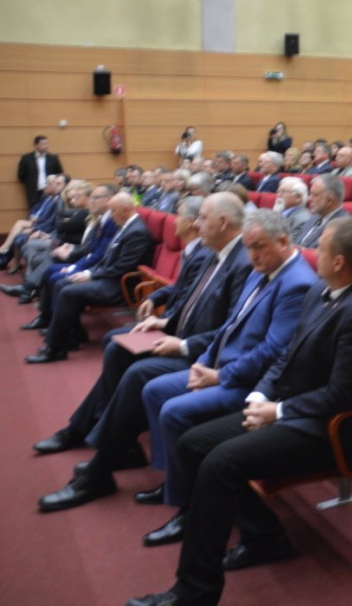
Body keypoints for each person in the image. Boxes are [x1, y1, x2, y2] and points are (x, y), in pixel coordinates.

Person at [124, 217, 352, 606]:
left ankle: (194, 591)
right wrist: (259, 395)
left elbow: (341, 395)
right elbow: (285, 356)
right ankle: (265, 536)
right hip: (287, 406)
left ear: (339, 262)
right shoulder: (321, 291)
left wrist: (277, 410)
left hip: (323, 428)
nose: (312, 253)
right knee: (192, 443)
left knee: (220, 464)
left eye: (322, 249)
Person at [36, 209, 317, 516]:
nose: (195, 223)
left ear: (283, 241)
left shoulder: (292, 281)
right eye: (250, 247)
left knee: (145, 381)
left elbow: (272, 351)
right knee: (130, 364)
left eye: (204, 217)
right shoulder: (254, 266)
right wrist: (202, 359)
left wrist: (215, 371)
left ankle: (132, 474)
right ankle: (135, 467)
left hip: (243, 379)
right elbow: (229, 325)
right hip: (211, 359)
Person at [31, 194, 252, 456]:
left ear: (223, 222)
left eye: (202, 218)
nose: (194, 223)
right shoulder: (213, 254)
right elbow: (186, 295)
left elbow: (231, 327)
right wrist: (162, 315)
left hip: (200, 351)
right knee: (116, 346)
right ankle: (103, 428)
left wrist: (181, 342)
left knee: (135, 369)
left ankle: (99, 436)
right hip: (181, 332)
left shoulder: (238, 262)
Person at [25, 192, 155, 364]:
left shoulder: (137, 232)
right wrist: (87, 272)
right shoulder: (126, 226)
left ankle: (55, 349)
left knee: (68, 291)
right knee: (62, 283)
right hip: (108, 277)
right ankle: (73, 336)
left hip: (119, 286)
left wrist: (90, 274)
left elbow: (121, 268)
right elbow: (106, 259)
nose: (111, 215)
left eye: (114, 210)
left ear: (125, 210)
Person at [293, 174, 348, 249]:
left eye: (314, 195)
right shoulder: (314, 217)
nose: (309, 199)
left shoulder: (342, 227)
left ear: (329, 200)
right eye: (310, 194)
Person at [17, 135, 64, 210]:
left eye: (47, 143)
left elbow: (60, 173)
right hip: (33, 191)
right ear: (36, 145)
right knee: (34, 211)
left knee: (49, 211)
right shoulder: (26, 158)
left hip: (50, 191)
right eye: (43, 144)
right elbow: (21, 175)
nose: (46, 146)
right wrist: (30, 183)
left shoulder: (53, 158)